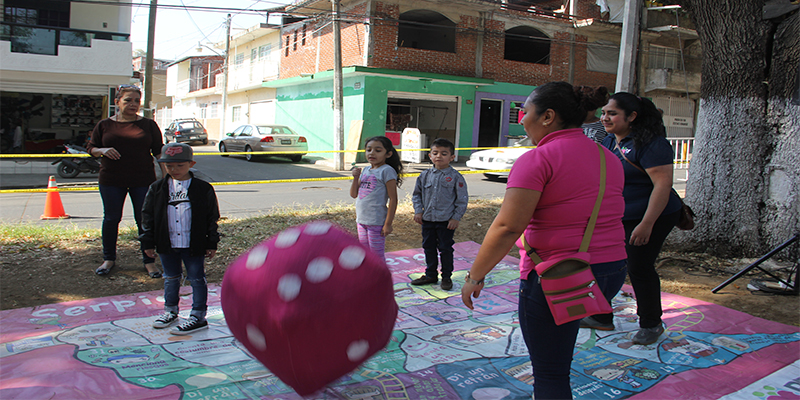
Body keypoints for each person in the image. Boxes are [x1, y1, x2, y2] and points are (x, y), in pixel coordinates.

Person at [461, 82, 627, 399]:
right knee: (561, 343)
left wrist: (474, 276)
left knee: (550, 373)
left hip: (558, 276)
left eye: (525, 111)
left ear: (548, 116)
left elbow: (508, 227)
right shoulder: (609, 158)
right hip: (611, 269)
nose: (522, 119)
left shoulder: (536, 159)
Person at [601, 92, 683, 345]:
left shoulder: (652, 144)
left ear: (632, 116)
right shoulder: (608, 142)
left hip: (655, 214)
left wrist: (646, 224)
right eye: (604, 112)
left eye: (612, 113)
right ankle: (600, 315)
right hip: (622, 214)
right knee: (605, 262)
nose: (605, 118)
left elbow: (662, 186)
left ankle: (651, 323)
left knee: (638, 266)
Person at [140, 142, 220, 335]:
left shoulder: (203, 188)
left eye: (180, 165)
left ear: (191, 164)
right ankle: (171, 311)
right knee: (170, 278)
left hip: (193, 243)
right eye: (169, 166)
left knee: (196, 278)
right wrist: (148, 241)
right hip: (167, 243)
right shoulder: (157, 188)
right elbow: (147, 216)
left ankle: (198, 316)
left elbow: (212, 216)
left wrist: (211, 242)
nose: (174, 170)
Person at [88, 85, 166, 278]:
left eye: (136, 101)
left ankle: (149, 261)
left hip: (143, 180)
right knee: (112, 218)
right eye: (127, 100)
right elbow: (91, 147)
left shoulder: (148, 125)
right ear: (117, 102)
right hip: (111, 179)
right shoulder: (105, 125)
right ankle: (109, 259)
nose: (133, 104)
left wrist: (166, 178)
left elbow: (159, 152)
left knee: (144, 220)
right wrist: (102, 150)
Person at [410, 138, 469, 291]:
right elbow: (417, 195)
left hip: (446, 221)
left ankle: (447, 277)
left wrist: (456, 217)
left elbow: (462, 199)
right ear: (430, 156)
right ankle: (430, 274)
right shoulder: (424, 176)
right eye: (435, 153)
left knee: (445, 248)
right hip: (428, 220)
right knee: (428, 247)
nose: (439, 156)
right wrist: (418, 211)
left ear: (452, 157)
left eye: (444, 153)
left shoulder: (456, 177)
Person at [350, 136, 403, 261]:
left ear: (388, 154)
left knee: (376, 256)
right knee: (365, 253)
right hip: (362, 220)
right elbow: (353, 194)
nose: (372, 153)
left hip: (376, 222)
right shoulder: (366, 170)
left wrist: (388, 224)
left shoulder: (386, 171)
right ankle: (369, 278)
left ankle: (381, 278)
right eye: (369, 150)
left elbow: (393, 199)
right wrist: (355, 178)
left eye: (378, 150)